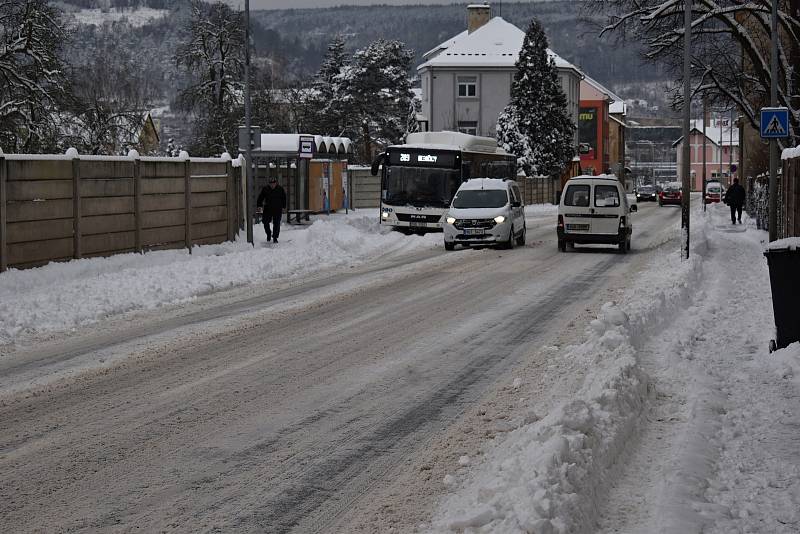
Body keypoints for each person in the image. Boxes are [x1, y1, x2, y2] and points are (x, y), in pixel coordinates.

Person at [257, 177, 287, 243]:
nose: (272, 185)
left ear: (276, 183)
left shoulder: (280, 189)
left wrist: (284, 207)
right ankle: (268, 233)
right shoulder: (265, 189)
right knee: (265, 222)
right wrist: (259, 205)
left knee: (277, 223)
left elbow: (284, 198)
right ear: (269, 184)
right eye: (271, 183)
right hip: (268, 208)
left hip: (277, 209)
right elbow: (260, 197)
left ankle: (275, 237)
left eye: (273, 183)